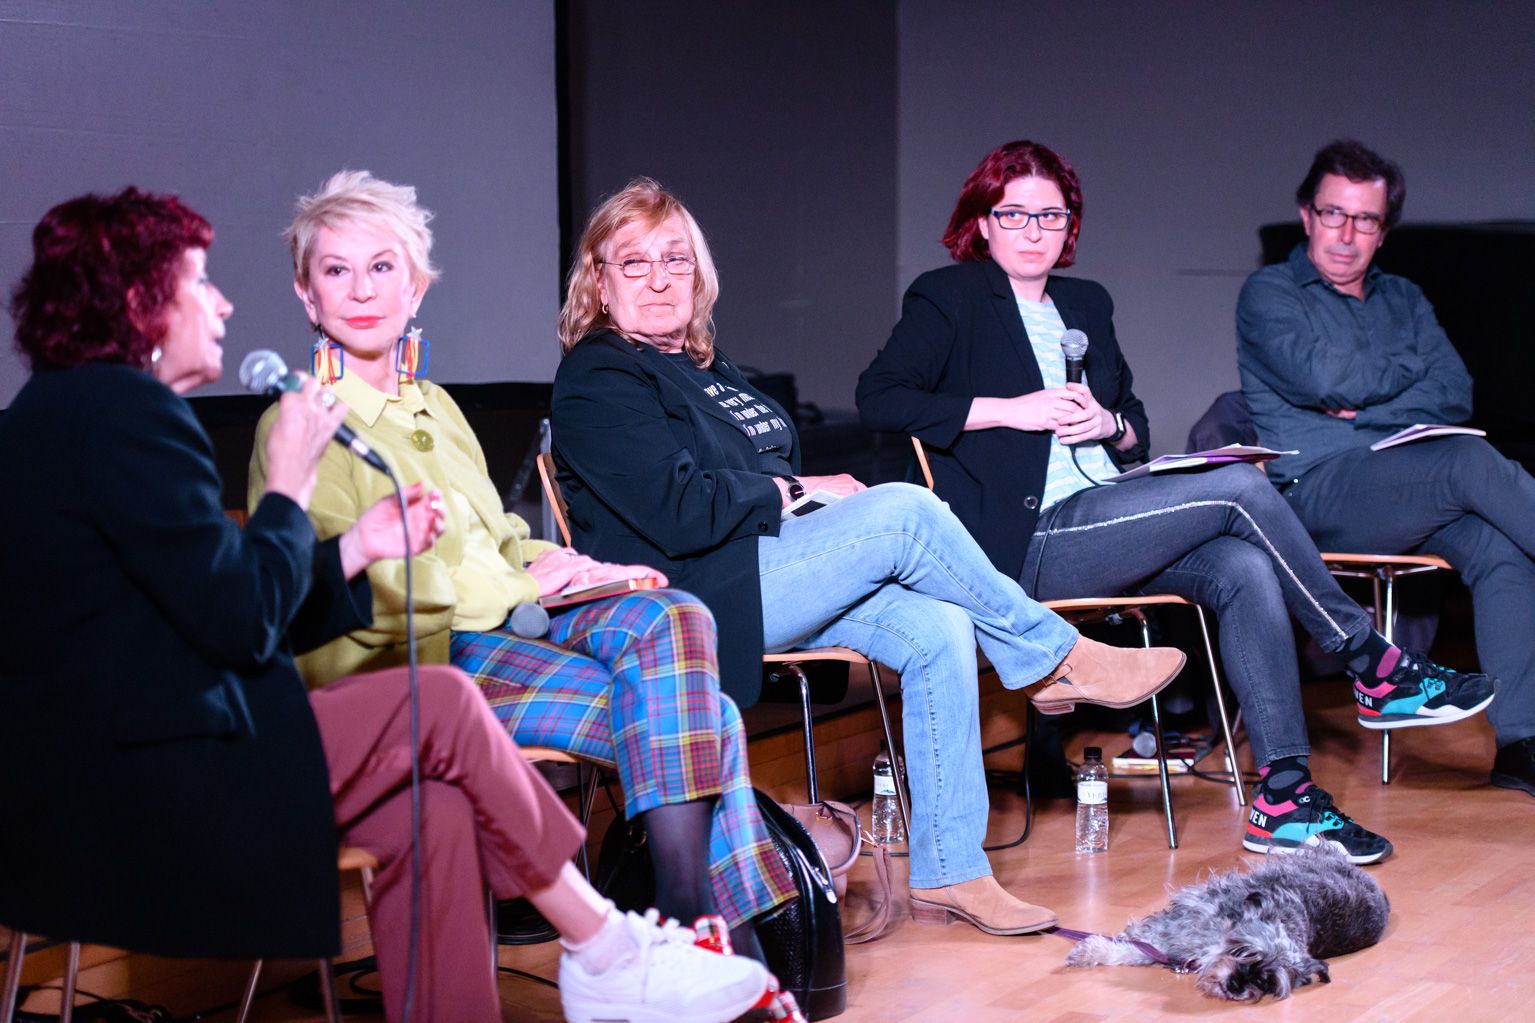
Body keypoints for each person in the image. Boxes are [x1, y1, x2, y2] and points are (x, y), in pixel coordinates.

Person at [0, 187, 770, 1023]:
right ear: (136, 301)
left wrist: (376, 548)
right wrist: (291, 491)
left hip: (166, 732)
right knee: (449, 703)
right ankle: (614, 947)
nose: (222, 303)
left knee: (439, 803)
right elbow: (241, 622)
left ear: (415, 286)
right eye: (199, 283)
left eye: (381, 267)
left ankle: (670, 946)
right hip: (140, 766)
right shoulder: (132, 418)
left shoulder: (91, 411)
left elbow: (216, 604)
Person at [550, 176, 1186, 937]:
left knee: (939, 625)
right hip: (691, 596)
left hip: (761, 564)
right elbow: (678, 509)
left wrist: (802, 495)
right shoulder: (599, 374)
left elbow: (751, 474)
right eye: (634, 262)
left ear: (699, 275)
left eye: (676, 260)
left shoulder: (703, 364)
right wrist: (793, 489)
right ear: (599, 282)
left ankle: (952, 870)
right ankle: (1054, 656)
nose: (659, 279)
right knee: (905, 509)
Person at [246, 171, 799, 1012]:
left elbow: (495, 535)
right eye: (336, 271)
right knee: (705, 715)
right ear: (305, 293)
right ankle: (719, 944)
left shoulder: (435, 404)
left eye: (383, 267)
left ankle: (689, 939)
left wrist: (573, 563)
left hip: (507, 628)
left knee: (675, 614)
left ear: (416, 286)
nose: (361, 290)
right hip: (423, 667)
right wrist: (511, 580)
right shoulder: (304, 423)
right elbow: (342, 592)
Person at [857, 140, 1497, 864]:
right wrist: (1015, 410)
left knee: (1241, 566)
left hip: (1108, 513)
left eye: (1051, 215)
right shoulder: (951, 297)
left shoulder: (1086, 302)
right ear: (982, 222)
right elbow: (880, 397)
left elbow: (1133, 426)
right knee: (1239, 485)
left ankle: (1284, 797)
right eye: (1014, 214)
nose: (1034, 231)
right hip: (1026, 541)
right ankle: (1371, 661)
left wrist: (1107, 423)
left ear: (1070, 226)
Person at [1237, 139, 1535, 798]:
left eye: (1365, 219)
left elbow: (1454, 390)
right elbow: (1320, 377)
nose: (1346, 235)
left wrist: (1367, 410)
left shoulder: (1404, 296)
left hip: (1406, 487)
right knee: (1465, 458)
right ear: (1306, 215)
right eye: (1333, 214)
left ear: (1384, 230)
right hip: (1316, 491)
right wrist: (1405, 374)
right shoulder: (1269, 292)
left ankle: (1521, 742)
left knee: (1500, 546)